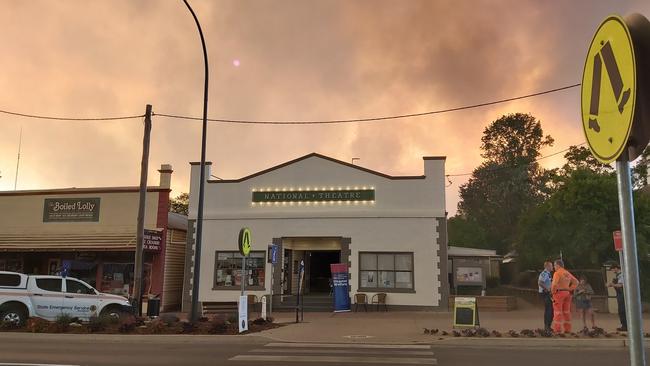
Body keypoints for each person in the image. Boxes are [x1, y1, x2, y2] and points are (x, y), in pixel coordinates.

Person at [551, 259, 578, 333]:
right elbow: (576, 282)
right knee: (566, 311)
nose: (554, 267)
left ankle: (557, 329)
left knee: (557, 312)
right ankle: (567, 329)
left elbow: (554, 284)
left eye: (554, 265)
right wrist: (570, 289)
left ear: (558, 265)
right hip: (567, 293)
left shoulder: (557, 273)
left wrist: (552, 292)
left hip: (559, 293)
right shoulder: (567, 273)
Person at [608, 263, 627, 331]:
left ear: (616, 268)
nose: (613, 271)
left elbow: (620, 285)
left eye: (613, 269)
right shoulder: (618, 275)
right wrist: (612, 285)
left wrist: (612, 284)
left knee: (622, 310)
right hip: (619, 294)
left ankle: (625, 326)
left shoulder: (622, 275)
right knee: (621, 310)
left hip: (622, 294)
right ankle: (623, 325)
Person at [537, 261, 554, 331]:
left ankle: (548, 326)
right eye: (551, 266)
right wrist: (547, 289)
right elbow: (540, 282)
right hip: (545, 293)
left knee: (550, 310)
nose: (552, 267)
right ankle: (546, 326)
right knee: (549, 310)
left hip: (548, 293)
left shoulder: (548, 274)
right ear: (547, 267)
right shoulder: (544, 273)